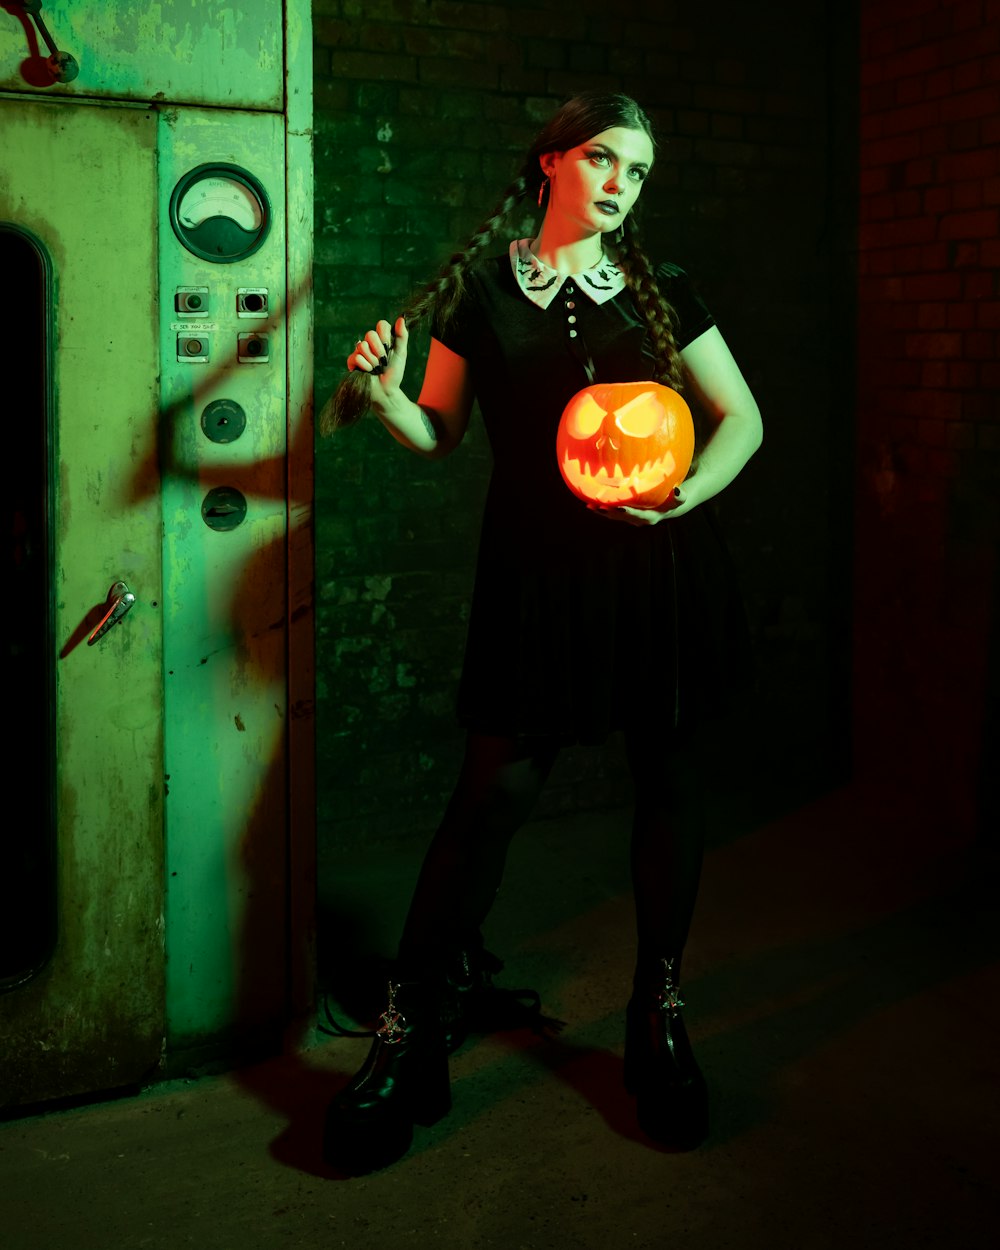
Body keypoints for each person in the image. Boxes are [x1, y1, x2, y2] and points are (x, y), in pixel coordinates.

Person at [320, 91, 762, 1174]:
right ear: (552, 161)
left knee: (666, 780)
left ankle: (656, 1015)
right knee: (490, 798)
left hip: (650, 571)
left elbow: (742, 418)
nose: (621, 183)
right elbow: (441, 432)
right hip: (530, 579)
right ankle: (407, 1032)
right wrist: (381, 396)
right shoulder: (480, 291)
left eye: (638, 172)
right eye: (605, 159)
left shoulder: (662, 287)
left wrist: (686, 494)